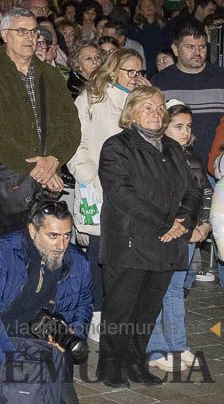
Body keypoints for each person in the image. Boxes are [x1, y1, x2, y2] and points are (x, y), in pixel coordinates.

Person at [97, 86, 201, 387]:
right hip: (130, 241)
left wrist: (183, 220)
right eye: (147, 107)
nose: (156, 113)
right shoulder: (117, 147)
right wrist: (166, 222)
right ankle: (111, 366)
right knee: (121, 309)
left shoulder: (172, 147)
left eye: (159, 108)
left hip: (166, 243)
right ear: (131, 112)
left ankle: (135, 362)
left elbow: (193, 189)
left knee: (148, 309)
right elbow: (121, 194)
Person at [0, 200, 92, 404]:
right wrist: (6, 356)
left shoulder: (79, 262)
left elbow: (84, 304)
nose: (61, 245)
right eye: (53, 236)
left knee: (64, 398)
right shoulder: (3, 250)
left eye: (67, 235)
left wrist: (73, 335)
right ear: (33, 230)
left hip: (42, 331)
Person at [0, 9, 80, 246]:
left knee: (42, 255)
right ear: (4, 35)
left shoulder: (49, 74)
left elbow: (70, 125)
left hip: (46, 179)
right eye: (21, 31)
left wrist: (53, 160)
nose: (30, 37)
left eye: (34, 31)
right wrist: (36, 166)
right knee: (3, 256)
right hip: (5, 181)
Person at [69, 48, 146, 329]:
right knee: (100, 253)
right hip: (98, 186)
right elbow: (75, 142)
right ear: (114, 71)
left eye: (140, 72)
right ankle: (97, 313)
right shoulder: (92, 98)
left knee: (129, 252)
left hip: (134, 190)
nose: (136, 77)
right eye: (131, 71)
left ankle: (123, 309)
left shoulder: (141, 102)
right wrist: (89, 175)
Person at [146, 102, 212, 375]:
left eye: (188, 127)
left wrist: (204, 224)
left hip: (188, 234)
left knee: (174, 290)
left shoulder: (192, 157)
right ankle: (155, 348)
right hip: (165, 233)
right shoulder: (156, 156)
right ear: (163, 126)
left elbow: (204, 192)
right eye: (178, 127)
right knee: (155, 290)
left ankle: (177, 344)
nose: (185, 132)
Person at [152, 22, 224, 165]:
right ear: (175, 50)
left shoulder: (220, 78)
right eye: (190, 47)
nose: (197, 52)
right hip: (175, 166)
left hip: (217, 166)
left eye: (202, 47)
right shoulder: (160, 82)